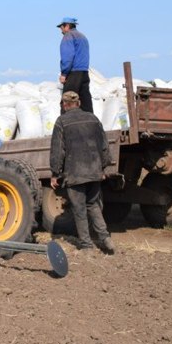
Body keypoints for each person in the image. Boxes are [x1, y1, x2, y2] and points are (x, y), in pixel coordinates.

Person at [49, 91, 116, 254]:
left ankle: (86, 245)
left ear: (64, 105)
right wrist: (104, 167)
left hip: (75, 172)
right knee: (93, 205)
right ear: (78, 103)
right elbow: (104, 145)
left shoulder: (61, 122)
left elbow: (58, 150)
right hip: (94, 171)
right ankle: (105, 238)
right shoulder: (93, 119)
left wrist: (55, 173)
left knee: (79, 209)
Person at [57, 16, 93, 113]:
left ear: (67, 26)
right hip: (84, 72)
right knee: (85, 101)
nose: (61, 30)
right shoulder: (83, 36)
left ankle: (65, 125)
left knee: (67, 100)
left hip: (73, 73)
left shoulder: (68, 36)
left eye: (62, 27)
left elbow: (67, 57)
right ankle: (89, 123)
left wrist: (64, 74)